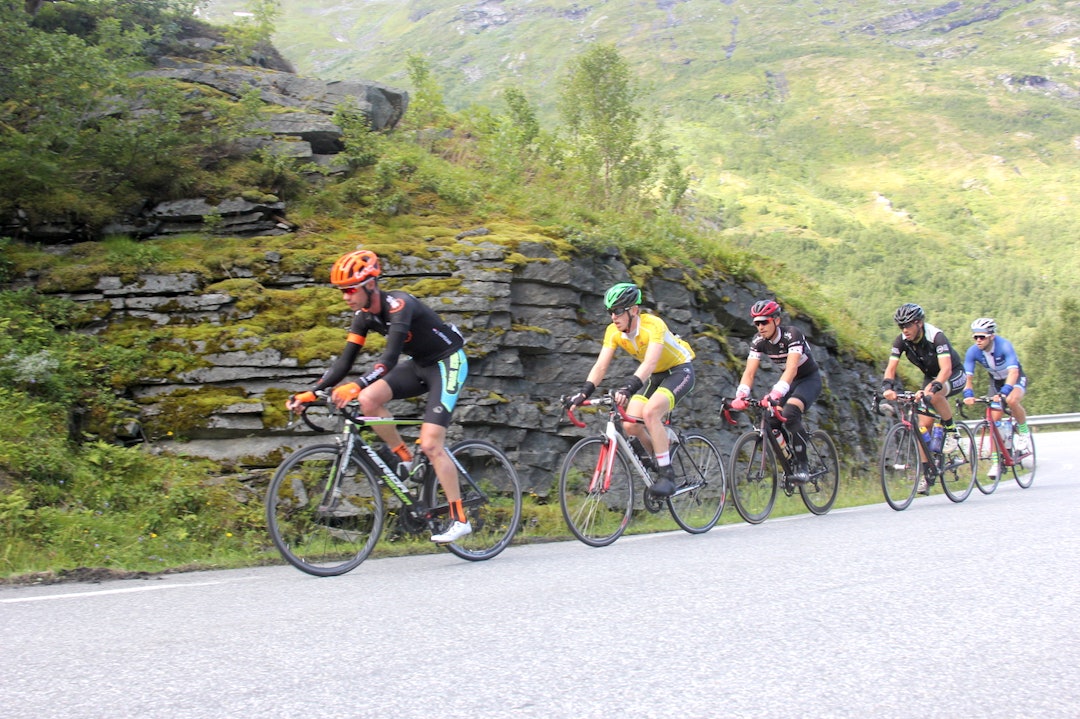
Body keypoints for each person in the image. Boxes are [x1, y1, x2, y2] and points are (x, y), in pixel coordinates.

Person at [286, 249, 471, 543]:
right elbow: (344, 362)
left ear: (370, 284)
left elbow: (388, 360)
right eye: (341, 291)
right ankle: (405, 458)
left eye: (350, 290)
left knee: (432, 444)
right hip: (421, 365)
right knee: (369, 400)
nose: (346, 297)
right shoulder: (363, 317)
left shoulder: (399, 306)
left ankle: (459, 518)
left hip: (448, 363)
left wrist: (355, 385)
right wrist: (313, 391)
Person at [564, 282, 696, 497]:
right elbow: (600, 365)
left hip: (680, 371)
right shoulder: (613, 332)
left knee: (651, 412)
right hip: (657, 377)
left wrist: (628, 388)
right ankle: (660, 454)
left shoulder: (653, 325)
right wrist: (584, 392)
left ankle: (667, 474)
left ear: (634, 310)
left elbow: (650, 363)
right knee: (629, 423)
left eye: (617, 311)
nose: (613, 317)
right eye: (610, 312)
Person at [731, 300, 822, 483]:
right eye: (757, 323)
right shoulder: (758, 342)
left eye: (764, 322)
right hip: (790, 382)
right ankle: (790, 460)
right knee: (772, 422)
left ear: (776, 320)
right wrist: (741, 394)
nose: (760, 327)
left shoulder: (792, 335)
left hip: (808, 379)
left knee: (790, 413)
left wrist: (775, 393)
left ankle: (803, 465)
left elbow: (791, 369)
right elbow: (749, 372)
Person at [880, 302, 966, 490]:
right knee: (922, 427)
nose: (904, 330)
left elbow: (946, 369)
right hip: (930, 376)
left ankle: (952, 430)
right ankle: (928, 473)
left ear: (918, 323)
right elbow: (891, 367)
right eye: (901, 326)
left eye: (907, 325)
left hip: (953, 374)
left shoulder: (936, 337)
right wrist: (887, 387)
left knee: (934, 396)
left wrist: (932, 389)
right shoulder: (901, 340)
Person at [961, 317, 1031, 477]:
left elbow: (1013, 372)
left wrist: (1004, 393)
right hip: (996, 382)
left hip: (1015, 378)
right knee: (993, 421)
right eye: (975, 337)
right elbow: (968, 377)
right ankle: (996, 461)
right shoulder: (973, 351)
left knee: (1012, 400)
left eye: (982, 337)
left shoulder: (1004, 345)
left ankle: (1024, 430)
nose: (978, 340)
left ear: (991, 336)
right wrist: (968, 394)